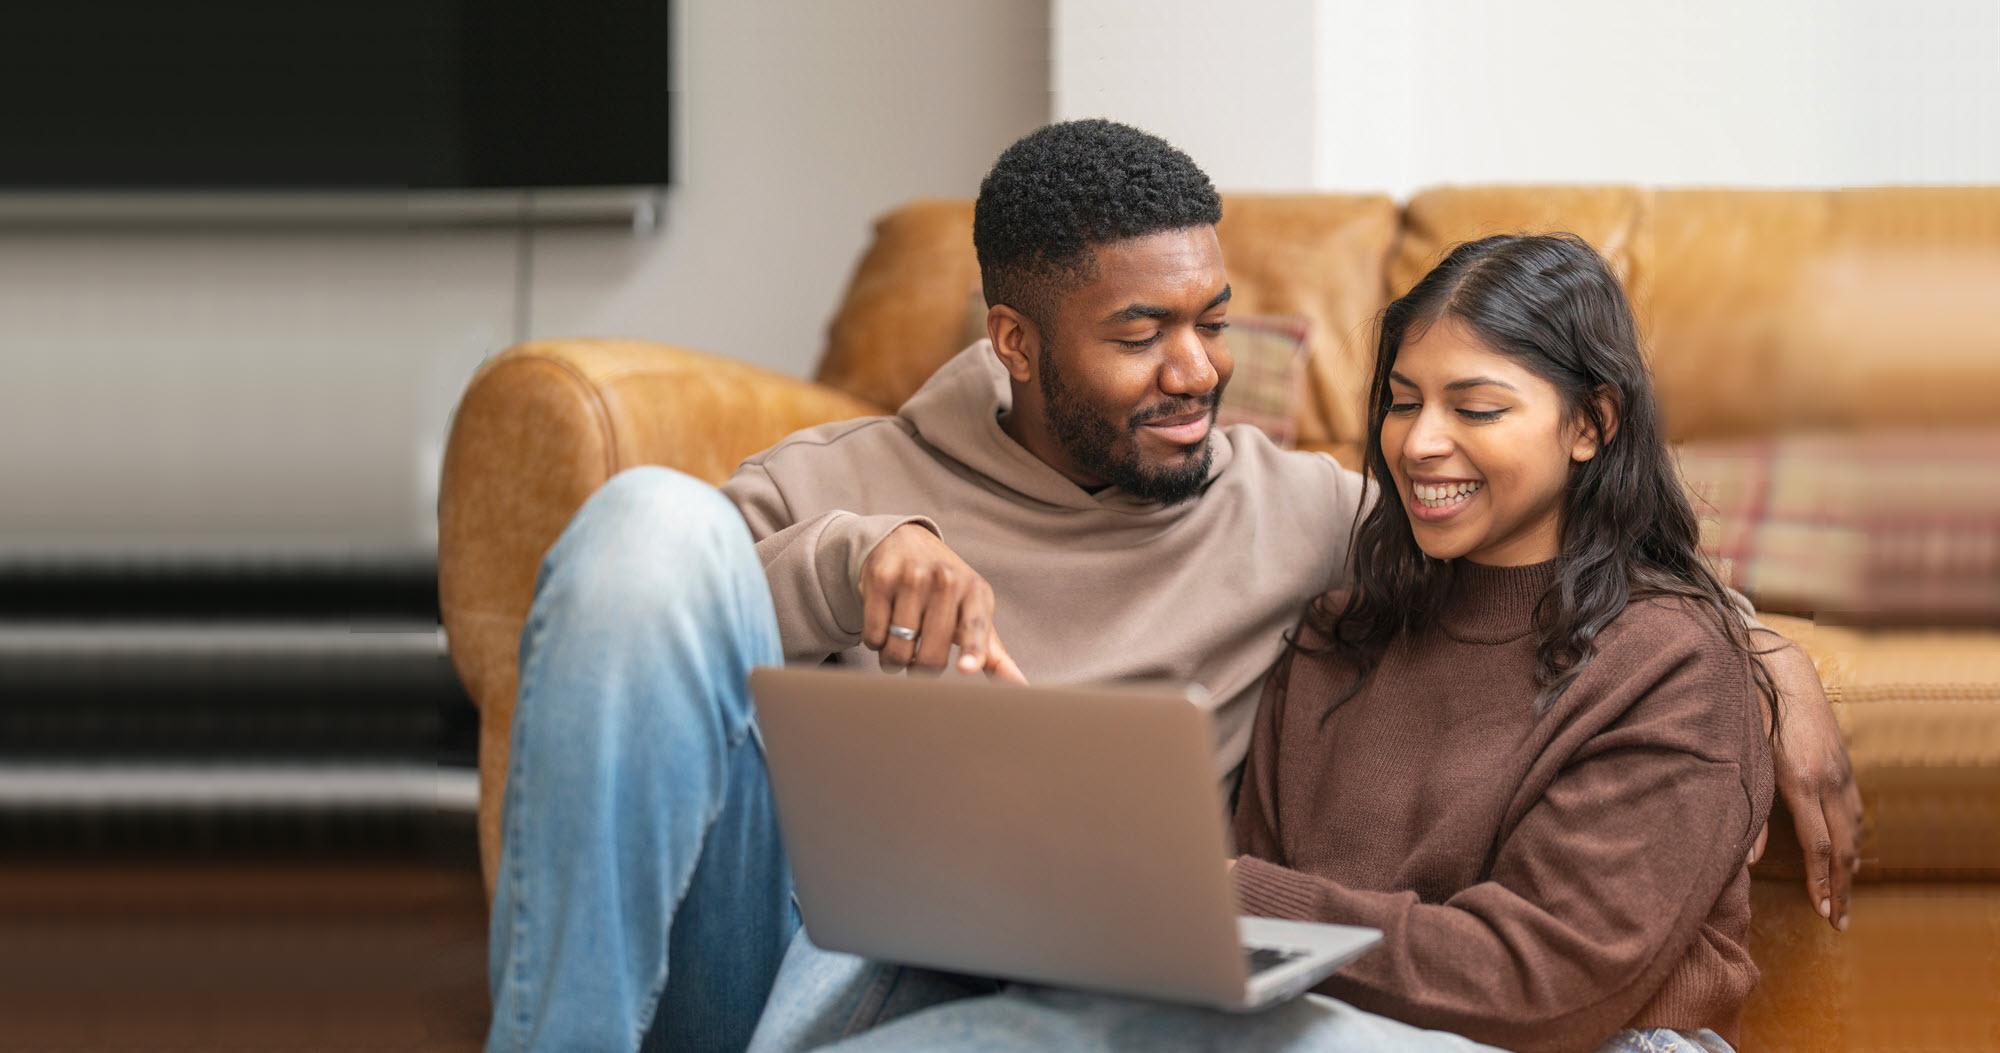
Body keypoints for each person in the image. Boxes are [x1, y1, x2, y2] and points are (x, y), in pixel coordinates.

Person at [482, 121, 1859, 1053]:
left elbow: (1554, 542)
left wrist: (1763, 653)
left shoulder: (1307, 511)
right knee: (649, 523)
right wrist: (850, 569)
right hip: (793, 960)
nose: (1197, 371)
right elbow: (641, 638)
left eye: (1212, 321)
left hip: (1090, 987)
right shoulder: (838, 478)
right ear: (1016, 340)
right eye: (1141, 335)